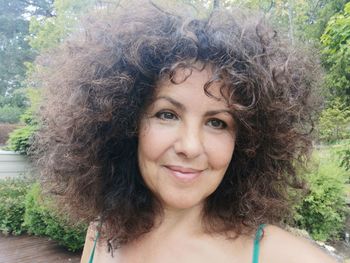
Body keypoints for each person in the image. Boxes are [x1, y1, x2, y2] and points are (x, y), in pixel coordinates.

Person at [31, 1, 338, 262]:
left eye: (217, 122)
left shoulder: (280, 255)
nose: (190, 147)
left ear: (248, 143)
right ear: (125, 125)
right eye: (167, 114)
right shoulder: (101, 236)